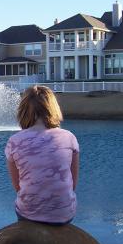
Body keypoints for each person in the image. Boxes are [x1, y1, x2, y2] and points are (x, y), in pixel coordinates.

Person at [5, 85, 79, 225]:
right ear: (53, 108)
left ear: (23, 110)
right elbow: (73, 185)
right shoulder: (69, 137)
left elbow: (18, 187)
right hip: (64, 213)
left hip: (28, 214)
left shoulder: (14, 141)